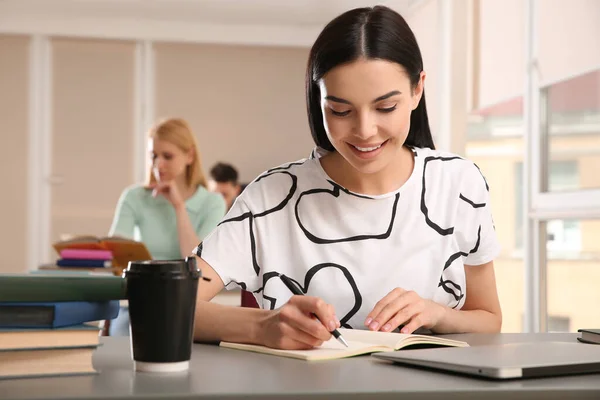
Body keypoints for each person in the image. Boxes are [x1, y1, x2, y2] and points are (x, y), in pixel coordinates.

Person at [192, 5, 502, 350]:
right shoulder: (271, 197)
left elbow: (488, 318)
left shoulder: (459, 184)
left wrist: (437, 314)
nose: (365, 131)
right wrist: (263, 325)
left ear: (417, 90)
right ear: (318, 101)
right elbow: (170, 305)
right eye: (340, 111)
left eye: (386, 107)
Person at [108, 117, 226, 335]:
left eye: (167, 156)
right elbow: (116, 256)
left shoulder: (213, 203)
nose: (158, 164)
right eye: (153, 156)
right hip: (137, 300)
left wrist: (179, 207)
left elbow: (198, 264)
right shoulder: (134, 197)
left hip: (185, 304)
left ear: (189, 155)